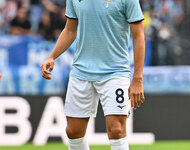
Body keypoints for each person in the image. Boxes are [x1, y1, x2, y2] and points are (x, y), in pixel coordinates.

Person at [40, 0, 145, 149]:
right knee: (73, 131)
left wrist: (137, 78)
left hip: (115, 72)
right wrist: (52, 56)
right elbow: (70, 29)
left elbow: (138, 35)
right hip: (81, 71)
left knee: (117, 130)